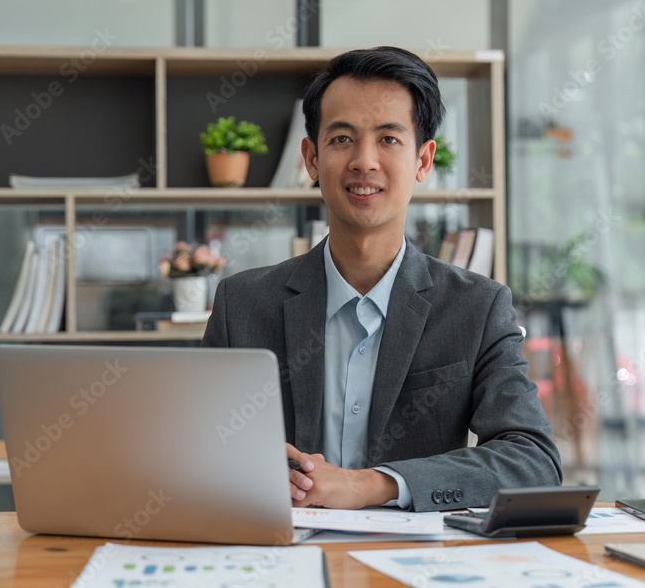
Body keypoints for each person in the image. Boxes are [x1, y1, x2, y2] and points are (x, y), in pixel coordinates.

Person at [202, 46, 561, 512]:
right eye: (342, 139)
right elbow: (196, 448)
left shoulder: (478, 307)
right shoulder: (242, 303)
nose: (364, 161)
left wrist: (375, 485)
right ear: (311, 159)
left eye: (389, 139)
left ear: (423, 160)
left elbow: (533, 462)